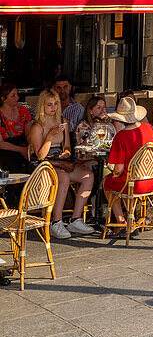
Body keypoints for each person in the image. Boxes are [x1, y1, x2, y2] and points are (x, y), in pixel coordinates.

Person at [28, 90, 95, 239]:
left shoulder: (62, 120)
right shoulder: (37, 126)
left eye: (56, 104)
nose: (53, 107)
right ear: (42, 106)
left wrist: (66, 153)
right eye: (49, 105)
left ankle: (75, 218)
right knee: (63, 178)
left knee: (88, 176)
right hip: (44, 163)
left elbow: (67, 146)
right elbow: (40, 155)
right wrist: (50, 136)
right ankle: (56, 222)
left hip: (60, 160)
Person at [104, 96, 153, 226]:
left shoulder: (121, 136)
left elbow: (118, 170)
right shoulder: (149, 128)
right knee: (123, 178)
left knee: (107, 181)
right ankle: (131, 216)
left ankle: (122, 220)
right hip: (152, 181)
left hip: (132, 185)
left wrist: (114, 173)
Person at [0, 83, 32, 173]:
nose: (17, 97)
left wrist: (29, 148)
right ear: (3, 99)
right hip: (6, 150)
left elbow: (29, 134)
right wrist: (21, 150)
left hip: (23, 145)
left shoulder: (23, 111)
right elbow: (1, 143)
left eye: (17, 94)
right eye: (13, 95)